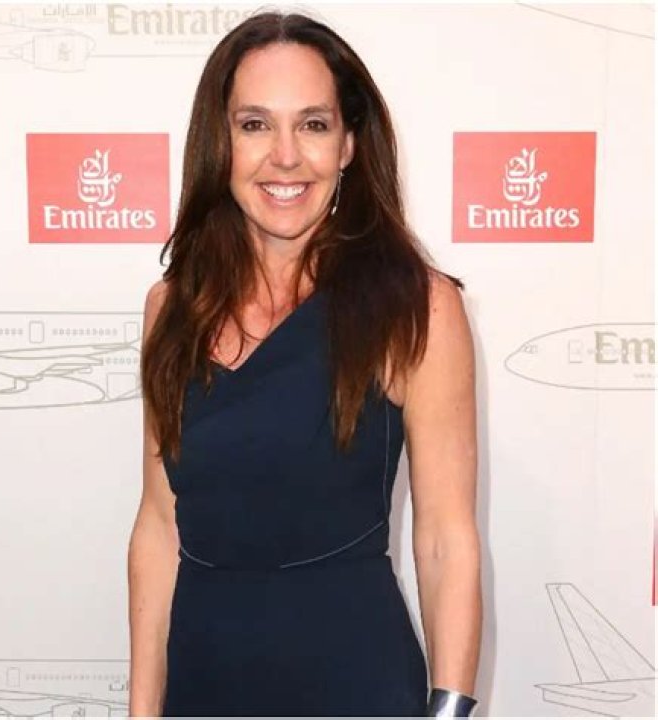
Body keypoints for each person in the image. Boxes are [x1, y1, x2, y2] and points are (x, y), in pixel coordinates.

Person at [128, 10, 481, 718]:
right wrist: (142, 710)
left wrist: (449, 714)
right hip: (204, 687)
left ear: (348, 144)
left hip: (356, 685)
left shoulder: (417, 306)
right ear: (220, 141)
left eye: (313, 125)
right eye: (255, 125)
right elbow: (159, 526)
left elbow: (446, 539)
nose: (285, 156)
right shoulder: (171, 308)